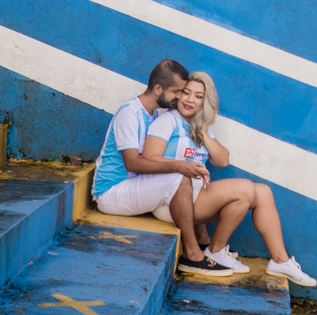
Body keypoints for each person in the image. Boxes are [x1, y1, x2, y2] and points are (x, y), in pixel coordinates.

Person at [142, 71, 317, 287]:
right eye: (186, 93)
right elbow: (149, 158)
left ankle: (280, 260)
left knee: (262, 192)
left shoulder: (198, 127)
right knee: (244, 189)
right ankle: (215, 250)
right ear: (178, 94)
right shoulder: (168, 121)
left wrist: (202, 131)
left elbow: (222, 160)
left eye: (198, 96)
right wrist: (183, 167)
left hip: (195, 196)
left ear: (205, 102)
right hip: (170, 201)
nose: (190, 100)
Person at [93, 60, 230, 277]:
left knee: (182, 176)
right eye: (176, 92)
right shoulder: (130, 113)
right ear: (159, 89)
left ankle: (202, 243)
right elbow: (132, 163)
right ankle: (193, 255)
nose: (179, 98)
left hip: (135, 185)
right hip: (111, 191)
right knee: (179, 176)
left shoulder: (153, 115)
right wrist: (181, 166)